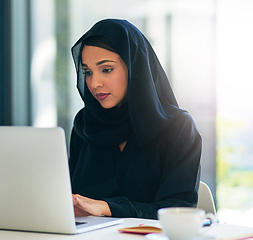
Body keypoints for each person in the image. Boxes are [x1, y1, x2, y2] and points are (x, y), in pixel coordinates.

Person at [69, 19, 202, 219]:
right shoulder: (85, 125)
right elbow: (69, 197)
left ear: (134, 67)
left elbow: (177, 208)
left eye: (106, 69)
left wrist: (108, 208)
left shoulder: (178, 128)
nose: (94, 83)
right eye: (87, 72)